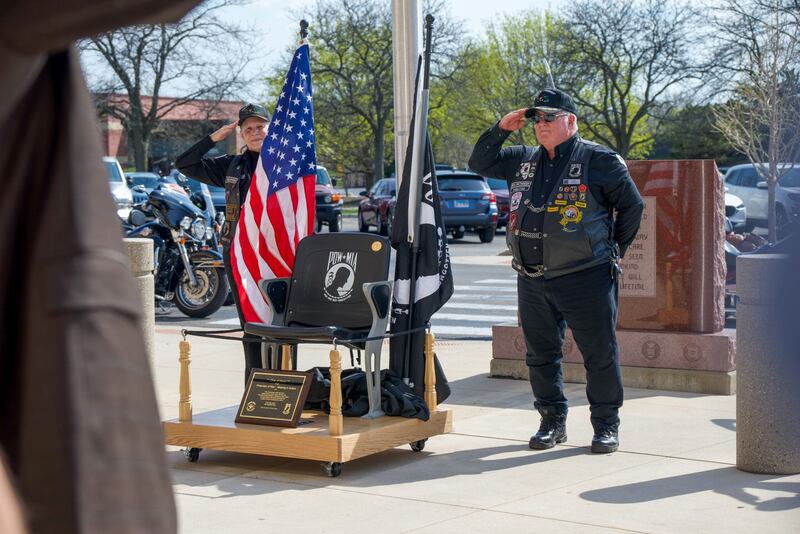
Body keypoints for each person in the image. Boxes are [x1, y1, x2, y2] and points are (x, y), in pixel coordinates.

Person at [469, 88, 644, 454]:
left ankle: (606, 426)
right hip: (532, 277)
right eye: (536, 118)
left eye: (550, 117)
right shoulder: (523, 159)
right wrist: (502, 128)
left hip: (586, 275)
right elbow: (480, 163)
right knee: (541, 355)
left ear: (570, 121)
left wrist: (614, 251)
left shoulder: (600, 160)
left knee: (599, 353)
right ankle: (552, 422)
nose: (541, 125)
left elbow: (632, 208)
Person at [175, 103, 270, 381]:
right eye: (248, 129)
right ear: (241, 134)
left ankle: (285, 387)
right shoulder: (231, 165)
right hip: (239, 252)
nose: (255, 133)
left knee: (282, 324)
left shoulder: (286, 162)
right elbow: (184, 164)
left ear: (270, 128)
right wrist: (214, 138)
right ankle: (254, 389)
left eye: (260, 127)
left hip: (276, 252)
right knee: (250, 324)